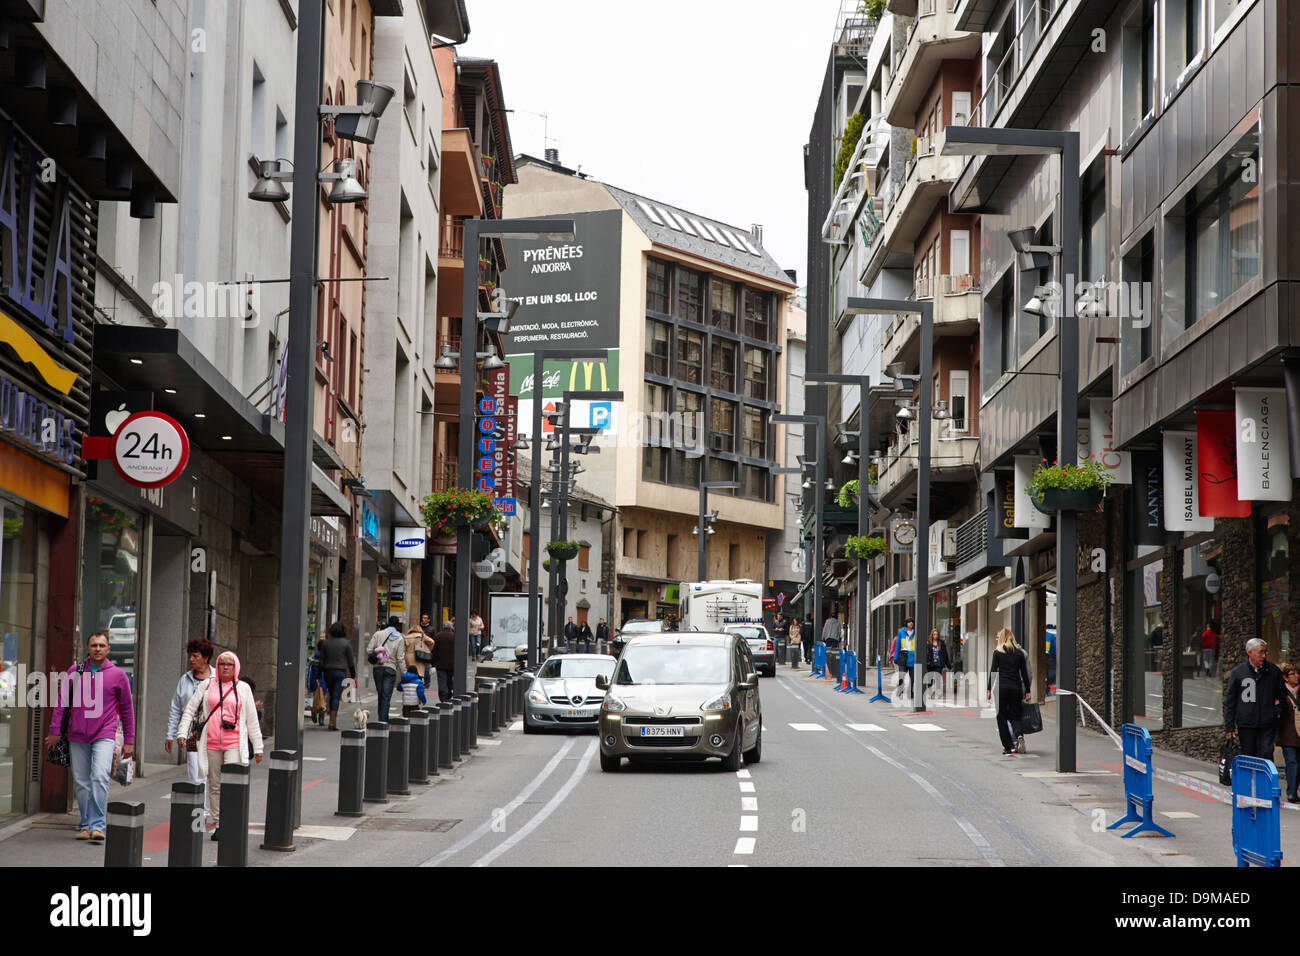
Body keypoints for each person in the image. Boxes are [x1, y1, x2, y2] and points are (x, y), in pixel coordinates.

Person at [45, 630, 135, 842]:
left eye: (102, 646)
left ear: (108, 649)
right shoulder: (75, 671)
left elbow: (128, 710)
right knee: (82, 782)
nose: (97, 649)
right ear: (87, 648)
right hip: (77, 734)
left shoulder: (118, 675)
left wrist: (129, 741)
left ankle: (98, 825)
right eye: (94, 645)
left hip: (104, 732)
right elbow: (61, 703)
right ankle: (85, 824)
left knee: (100, 776)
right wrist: (54, 731)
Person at [175, 651, 263, 841]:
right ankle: (219, 824)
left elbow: (252, 720)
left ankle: (230, 820)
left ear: (236, 667)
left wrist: (258, 747)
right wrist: (182, 732)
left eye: (229, 664)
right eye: (222, 663)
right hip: (211, 743)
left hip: (234, 744)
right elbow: (190, 709)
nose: (225, 667)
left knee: (230, 785)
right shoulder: (207, 685)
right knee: (214, 786)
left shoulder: (243, 688)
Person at [165, 638, 214, 818]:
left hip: (214, 734)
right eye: (190, 656)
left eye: (195, 656)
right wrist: (171, 734)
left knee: (212, 775)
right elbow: (176, 709)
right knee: (195, 773)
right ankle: (201, 810)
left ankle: (210, 809)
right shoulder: (184, 680)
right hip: (192, 735)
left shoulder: (217, 679)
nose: (191, 660)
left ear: (206, 658)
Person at [1224, 637, 1284, 759]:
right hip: (1246, 724)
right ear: (1250, 653)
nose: (1263, 655)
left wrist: (1276, 712)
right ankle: (1249, 778)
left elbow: (1282, 695)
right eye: (1260, 652)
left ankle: (1263, 778)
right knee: (1248, 755)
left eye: (1265, 652)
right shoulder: (1238, 673)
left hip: (1267, 722)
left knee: (1266, 753)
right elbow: (1231, 701)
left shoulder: (1273, 671)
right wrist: (1229, 727)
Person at [987, 628, 1031, 756]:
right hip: (1016, 688)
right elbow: (1024, 674)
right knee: (1015, 716)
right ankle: (1018, 735)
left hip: (1001, 688)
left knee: (1001, 717)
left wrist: (989, 689)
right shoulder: (1019, 653)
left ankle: (1008, 748)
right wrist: (1028, 690)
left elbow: (993, 672)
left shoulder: (997, 652)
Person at [366, 617, 406, 723]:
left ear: (388, 623)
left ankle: (381, 719)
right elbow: (400, 658)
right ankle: (383, 721)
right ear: (398, 625)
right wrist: (404, 673)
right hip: (391, 669)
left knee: (381, 695)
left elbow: (369, 649)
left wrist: (379, 652)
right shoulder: (400, 638)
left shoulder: (378, 634)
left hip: (378, 668)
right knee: (386, 696)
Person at [319, 621, 356, 730]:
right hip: (340, 672)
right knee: (336, 695)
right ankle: (332, 722)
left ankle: (331, 718)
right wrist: (353, 675)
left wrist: (318, 676)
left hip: (327, 672)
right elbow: (350, 662)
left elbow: (321, 661)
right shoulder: (346, 644)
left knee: (331, 693)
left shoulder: (325, 643)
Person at [1278, 662, 1300, 804]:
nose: (1296, 676)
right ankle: (1291, 792)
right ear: (1285, 678)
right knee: (1292, 762)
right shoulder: (1281, 692)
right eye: (1293, 674)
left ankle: (1294, 790)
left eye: (1297, 673)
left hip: (1299, 733)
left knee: (1298, 763)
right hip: (1287, 733)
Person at [923, 629, 950, 702]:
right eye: (934, 634)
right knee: (930, 679)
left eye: (937, 634)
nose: (936, 636)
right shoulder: (929, 643)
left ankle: (937, 693)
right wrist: (926, 661)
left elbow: (945, 654)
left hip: (938, 663)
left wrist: (947, 664)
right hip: (930, 664)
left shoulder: (941, 643)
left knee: (938, 678)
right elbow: (926, 653)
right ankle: (930, 693)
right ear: (932, 635)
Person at [433, 624, 456, 703]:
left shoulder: (438, 636)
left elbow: (434, 651)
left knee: (442, 680)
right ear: (450, 628)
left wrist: (433, 662)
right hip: (451, 664)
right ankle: (449, 693)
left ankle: (443, 696)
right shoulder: (454, 636)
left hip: (440, 663)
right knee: (449, 680)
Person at [894, 618, 917, 699]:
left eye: (912, 622)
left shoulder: (916, 632)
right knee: (901, 676)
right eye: (909, 622)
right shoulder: (901, 632)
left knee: (913, 678)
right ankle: (900, 690)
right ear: (906, 623)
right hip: (903, 656)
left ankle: (911, 693)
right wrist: (895, 657)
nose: (911, 623)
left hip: (912, 657)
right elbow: (897, 645)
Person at [306, 639, 327, 725]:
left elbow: (310, 675)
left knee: (316, 699)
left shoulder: (313, 660)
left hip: (315, 684)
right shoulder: (326, 660)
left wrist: (309, 686)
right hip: (324, 684)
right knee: (323, 700)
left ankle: (314, 712)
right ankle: (320, 718)